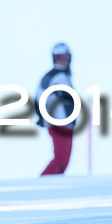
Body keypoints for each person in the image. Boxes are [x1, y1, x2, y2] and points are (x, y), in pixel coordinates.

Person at [35, 43, 76, 176]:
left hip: (65, 124)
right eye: (59, 57)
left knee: (63, 161)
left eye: (65, 57)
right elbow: (39, 98)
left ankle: (48, 184)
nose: (62, 60)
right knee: (60, 160)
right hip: (59, 123)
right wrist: (43, 117)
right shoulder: (54, 77)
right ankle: (43, 184)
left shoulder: (63, 76)